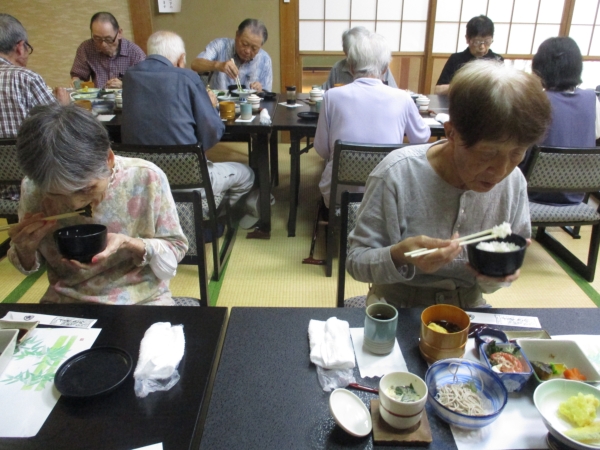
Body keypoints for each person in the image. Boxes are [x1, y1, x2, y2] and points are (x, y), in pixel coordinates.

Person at [347, 60, 552, 309]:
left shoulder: (513, 181)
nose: (501, 171)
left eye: (517, 153)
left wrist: (498, 274)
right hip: (396, 306)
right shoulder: (398, 173)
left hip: (468, 306)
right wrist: (400, 255)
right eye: (487, 153)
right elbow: (356, 262)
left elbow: (493, 283)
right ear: (451, 132)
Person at [8, 104, 189, 305]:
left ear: (108, 159)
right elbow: (29, 265)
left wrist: (129, 243)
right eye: (56, 194)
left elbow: (176, 248)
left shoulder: (146, 177)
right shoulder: (34, 188)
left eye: (85, 189)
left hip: (142, 300)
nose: (75, 203)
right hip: (66, 302)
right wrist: (25, 249)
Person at [121, 31, 255, 209]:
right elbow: (213, 132)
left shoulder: (129, 77)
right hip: (188, 181)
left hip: (145, 181)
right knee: (247, 174)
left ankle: (170, 213)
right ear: (180, 59)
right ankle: (205, 215)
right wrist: (210, 106)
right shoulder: (187, 77)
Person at [314, 31, 430, 210]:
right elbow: (421, 139)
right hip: (387, 196)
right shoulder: (403, 98)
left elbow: (321, 149)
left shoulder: (331, 96)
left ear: (351, 67)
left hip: (339, 196)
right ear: (385, 69)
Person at [525, 36, 600, 205]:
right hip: (577, 195)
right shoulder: (592, 99)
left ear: (539, 67)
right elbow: (595, 137)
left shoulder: (536, 100)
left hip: (532, 194)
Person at [0, 14, 69, 139]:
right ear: (20, 48)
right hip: (24, 152)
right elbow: (59, 128)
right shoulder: (26, 78)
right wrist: (63, 106)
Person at [191, 19, 272, 92]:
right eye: (244, 44)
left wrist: (260, 91)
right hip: (218, 103)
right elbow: (195, 64)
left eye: (254, 48)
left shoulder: (265, 59)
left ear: (261, 46)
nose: (247, 51)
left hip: (249, 104)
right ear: (237, 35)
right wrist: (218, 65)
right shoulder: (220, 45)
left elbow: (267, 93)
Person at [70, 12, 145, 89]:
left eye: (108, 39)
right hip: (98, 95)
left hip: (125, 96)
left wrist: (125, 85)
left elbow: (145, 84)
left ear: (119, 33)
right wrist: (76, 82)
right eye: (97, 39)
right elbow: (78, 76)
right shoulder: (86, 48)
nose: (103, 45)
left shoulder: (135, 53)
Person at [435, 15, 503, 95]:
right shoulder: (456, 59)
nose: (482, 47)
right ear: (467, 39)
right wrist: (465, 85)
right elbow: (438, 90)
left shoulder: (497, 59)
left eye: (487, 42)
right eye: (477, 42)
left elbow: (503, 90)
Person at [322, 26, 398, 90]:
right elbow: (326, 93)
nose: (358, 55)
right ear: (345, 52)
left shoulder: (380, 66)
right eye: (354, 53)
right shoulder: (338, 67)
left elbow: (393, 92)